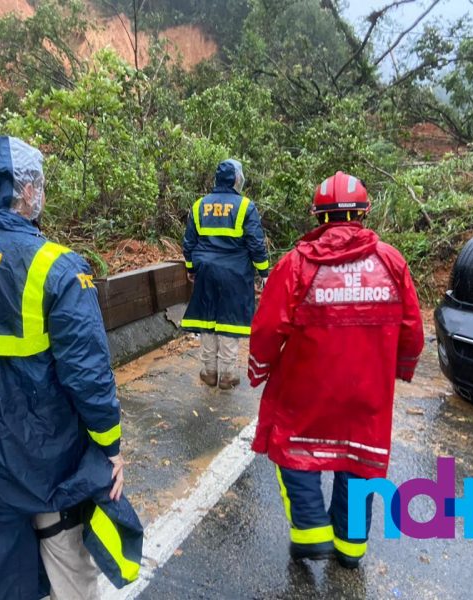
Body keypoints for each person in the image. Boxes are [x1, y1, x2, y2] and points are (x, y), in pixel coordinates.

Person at [0, 136, 142, 600]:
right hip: (49, 466)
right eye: (36, 183)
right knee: (69, 575)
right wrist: (109, 446)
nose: (40, 192)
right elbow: (89, 375)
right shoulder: (54, 267)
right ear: (24, 190)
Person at [248, 172, 424, 569]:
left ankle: (310, 531)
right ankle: (350, 549)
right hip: (368, 394)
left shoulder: (295, 266)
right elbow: (413, 329)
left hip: (305, 390)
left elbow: (266, 329)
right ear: (363, 212)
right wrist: (400, 369)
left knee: (291, 446)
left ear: (318, 215)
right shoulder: (391, 262)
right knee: (359, 462)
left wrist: (259, 369)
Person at [181, 159, 270, 390]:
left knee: (207, 319)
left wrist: (191, 268)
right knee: (229, 321)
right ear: (236, 179)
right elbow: (256, 244)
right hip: (235, 273)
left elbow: (189, 243)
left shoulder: (199, 205)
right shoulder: (245, 207)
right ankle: (228, 374)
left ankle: (209, 372)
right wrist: (264, 272)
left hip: (206, 273)